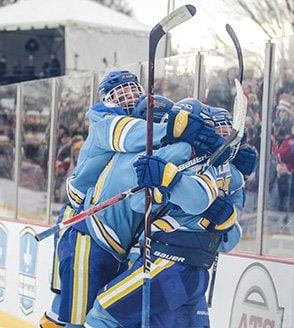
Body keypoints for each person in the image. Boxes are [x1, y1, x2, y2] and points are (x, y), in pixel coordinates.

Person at [40, 71, 225, 327]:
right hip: (88, 229)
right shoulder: (104, 119)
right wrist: (185, 138)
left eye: (132, 90)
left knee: (76, 309)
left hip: (114, 242)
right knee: (78, 316)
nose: (128, 97)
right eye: (120, 93)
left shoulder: (146, 144)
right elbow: (132, 134)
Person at [84, 101, 245, 327]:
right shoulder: (213, 167)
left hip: (168, 264)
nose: (223, 138)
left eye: (226, 133)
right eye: (219, 131)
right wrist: (160, 187)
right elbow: (140, 202)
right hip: (193, 272)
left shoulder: (216, 169)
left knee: (102, 315)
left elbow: (198, 199)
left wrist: (167, 179)